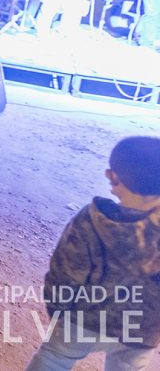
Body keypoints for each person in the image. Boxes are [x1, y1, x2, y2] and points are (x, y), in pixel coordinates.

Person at [26, 136, 160, 371]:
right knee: (129, 368)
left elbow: (65, 272)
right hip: (144, 328)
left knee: (55, 357)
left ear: (113, 178)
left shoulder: (90, 220)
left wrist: (57, 309)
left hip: (83, 318)